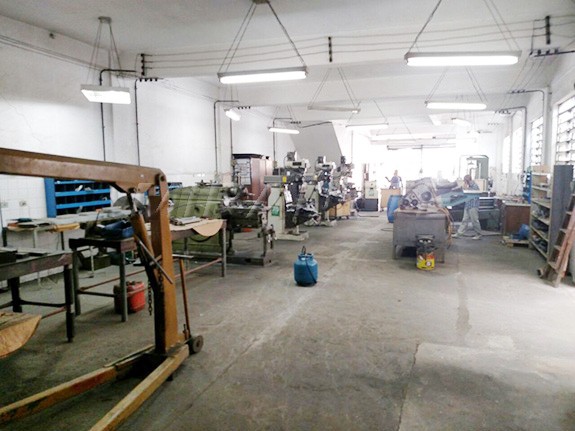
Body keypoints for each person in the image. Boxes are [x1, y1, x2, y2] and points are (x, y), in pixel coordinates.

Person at [452, 175, 482, 240]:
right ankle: (459, 233)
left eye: (465, 181)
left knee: (474, 220)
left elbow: (470, 193)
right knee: (464, 220)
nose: (464, 182)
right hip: (467, 205)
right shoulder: (468, 186)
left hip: (473, 206)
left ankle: (478, 234)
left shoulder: (475, 186)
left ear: (467, 180)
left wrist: (465, 188)